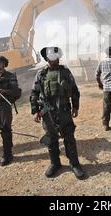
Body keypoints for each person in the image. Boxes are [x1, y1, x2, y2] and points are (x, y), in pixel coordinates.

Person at [30, 47, 84, 179]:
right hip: (47, 113)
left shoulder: (65, 72)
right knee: (51, 138)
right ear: (47, 59)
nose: (55, 60)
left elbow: (74, 90)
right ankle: (55, 163)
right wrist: (35, 111)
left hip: (64, 110)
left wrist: (75, 107)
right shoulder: (41, 74)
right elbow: (34, 93)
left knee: (69, 137)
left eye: (57, 57)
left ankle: (74, 164)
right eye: (53, 58)